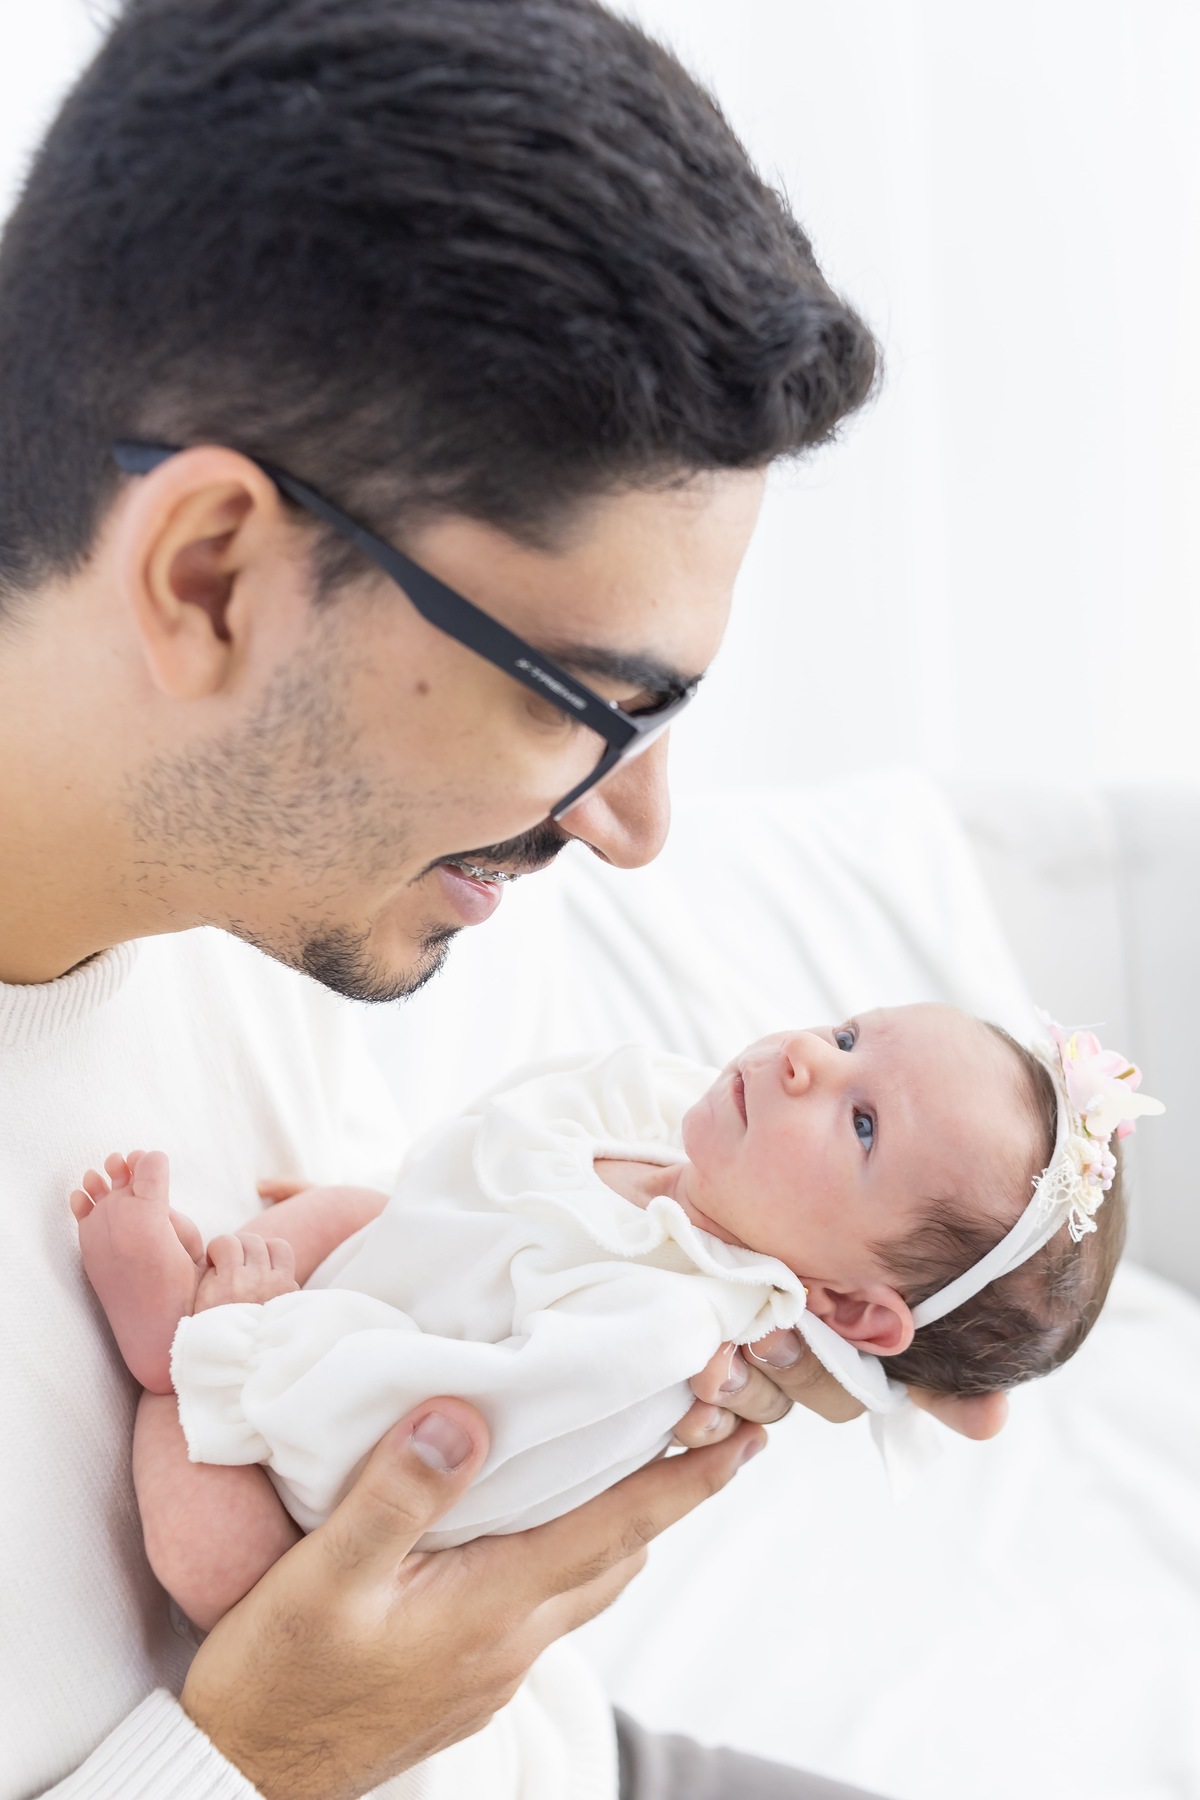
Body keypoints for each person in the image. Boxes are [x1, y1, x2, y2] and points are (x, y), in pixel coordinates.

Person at [0, 1, 1001, 1796]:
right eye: (587, 705)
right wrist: (259, 1760)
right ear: (213, 576)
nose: (632, 832)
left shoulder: (260, 893)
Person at [71, 1007, 1158, 1650]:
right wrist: (386, 1233)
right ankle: (261, 1286)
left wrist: (258, 1343)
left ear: (844, 1307)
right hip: (397, 1284)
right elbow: (468, 1171)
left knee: (225, 1570)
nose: (803, 1062)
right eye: (845, 1033)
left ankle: (180, 1345)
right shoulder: (651, 1114)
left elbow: (439, 1436)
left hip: (342, 1460)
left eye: (861, 1121)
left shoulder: (657, 1329)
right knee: (362, 1203)